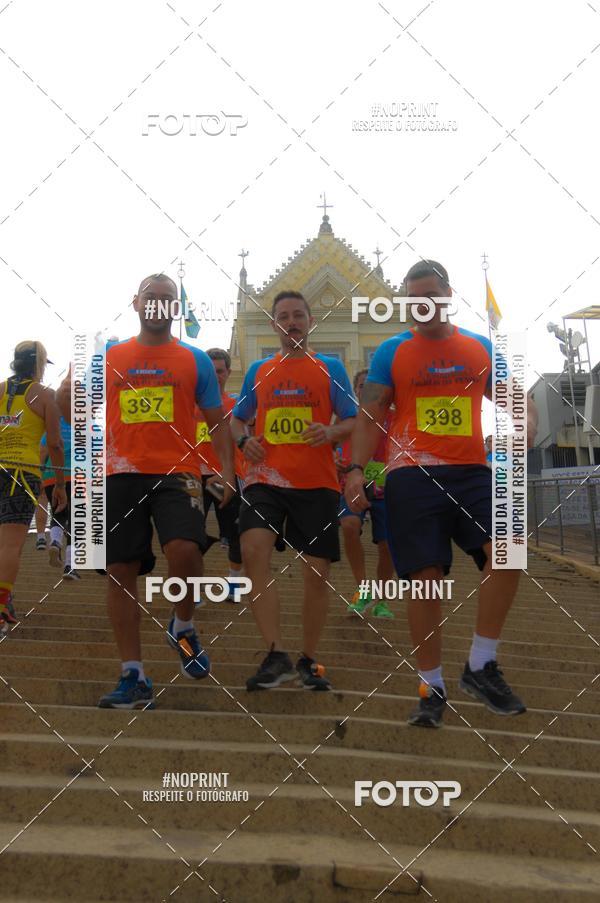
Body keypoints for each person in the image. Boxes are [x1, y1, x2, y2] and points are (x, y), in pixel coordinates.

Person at [345, 260, 538, 727]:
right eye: (414, 299)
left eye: (431, 296)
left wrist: (526, 424)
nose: (423, 306)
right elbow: (371, 416)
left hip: (472, 471)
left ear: (449, 294)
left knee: (509, 550)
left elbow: (516, 397)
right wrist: (357, 471)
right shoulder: (393, 351)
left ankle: (480, 662)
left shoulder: (478, 347)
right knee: (426, 579)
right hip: (412, 475)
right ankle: (431, 687)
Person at [98, 274, 234, 709]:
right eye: (150, 297)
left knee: (186, 553)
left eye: (166, 299)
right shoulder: (111, 356)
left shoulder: (193, 360)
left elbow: (217, 422)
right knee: (121, 571)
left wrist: (227, 471)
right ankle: (132, 675)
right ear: (135, 303)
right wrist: (65, 398)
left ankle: (182, 624)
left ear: (175, 308)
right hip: (120, 474)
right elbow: (77, 409)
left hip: (178, 472)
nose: (158, 304)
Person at [231, 290, 357, 692]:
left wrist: (331, 431)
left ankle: (308, 658)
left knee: (317, 573)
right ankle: (274, 654)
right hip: (265, 478)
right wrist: (242, 441)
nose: (292, 322)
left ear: (309, 320)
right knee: (253, 550)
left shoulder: (330, 368)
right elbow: (238, 420)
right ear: (274, 325)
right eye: (284, 316)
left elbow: (353, 419)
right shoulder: (259, 371)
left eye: (298, 315)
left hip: (315, 482)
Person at [0, 341, 66, 631]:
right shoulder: (45, 395)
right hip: (22, 472)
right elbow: (54, 442)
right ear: (39, 364)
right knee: (11, 545)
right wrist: (60, 484)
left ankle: (6, 601)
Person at [337, 369, 394, 618]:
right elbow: (328, 446)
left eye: (372, 385)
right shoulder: (347, 418)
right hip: (351, 483)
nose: (365, 390)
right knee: (349, 525)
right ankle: (362, 590)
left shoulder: (394, 417)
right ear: (355, 390)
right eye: (361, 386)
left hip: (387, 486)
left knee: (387, 545)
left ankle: (381, 599)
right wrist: (334, 460)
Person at [195, 348, 245, 602]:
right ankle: (191, 589)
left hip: (226, 477)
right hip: (193, 477)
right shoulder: (189, 404)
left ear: (228, 373)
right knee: (189, 534)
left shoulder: (236, 406)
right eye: (210, 371)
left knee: (236, 534)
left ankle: (234, 586)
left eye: (220, 371)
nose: (215, 377)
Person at [40, 413, 78, 578]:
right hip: (78, 475)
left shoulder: (53, 424)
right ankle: (70, 566)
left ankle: (55, 541)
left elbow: (43, 451)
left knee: (58, 512)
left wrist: (40, 474)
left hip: (51, 475)